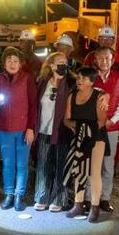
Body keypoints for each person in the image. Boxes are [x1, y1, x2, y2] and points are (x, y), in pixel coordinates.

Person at [64, 67, 109, 223]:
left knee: (94, 172)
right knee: (78, 171)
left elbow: (102, 121)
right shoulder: (72, 96)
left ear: (91, 82)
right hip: (79, 137)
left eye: (83, 79)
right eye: (78, 78)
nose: (79, 81)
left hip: (96, 137)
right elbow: (66, 119)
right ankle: (78, 204)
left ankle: (95, 207)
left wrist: (87, 129)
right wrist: (78, 127)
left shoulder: (98, 96)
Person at [0, 47, 39, 211]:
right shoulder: (0, 79)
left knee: (22, 164)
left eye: (15, 61)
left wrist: (30, 128)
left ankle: (19, 195)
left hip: (23, 129)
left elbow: (33, 105)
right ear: (4, 63)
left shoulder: (27, 78)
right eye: (9, 60)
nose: (12, 64)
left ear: (21, 64)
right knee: (8, 163)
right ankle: (8, 194)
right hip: (4, 128)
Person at [33, 52, 75, 211]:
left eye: (65, 62)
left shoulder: (71, 83)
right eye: (60, 62)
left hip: (63, 131)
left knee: (61, 166)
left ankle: (59, 199)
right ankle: (41, 196)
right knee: (43, 164)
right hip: (44, 129)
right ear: (51, 65)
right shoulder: (42, 82)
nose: (64, 65)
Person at [93, 46, 119, 212]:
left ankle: (105, 198)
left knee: (108, 164)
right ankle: (89, 198)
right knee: (92, 164)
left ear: (112, 60)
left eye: (107, 58)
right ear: (96, 60)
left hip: (111, 128)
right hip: (94, 126)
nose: (104, 61)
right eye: (100, 58)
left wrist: (112, 120)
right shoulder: (91, 78)